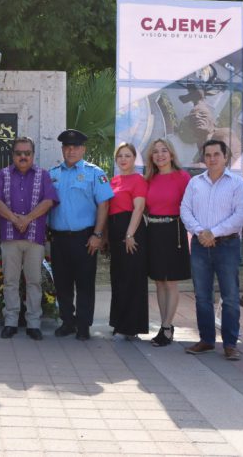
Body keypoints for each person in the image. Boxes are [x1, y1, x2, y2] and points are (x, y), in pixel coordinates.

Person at [180, 139, 243, 360]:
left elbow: (240, 215)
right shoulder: (195, 183)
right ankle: (207, 340)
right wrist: (201, 232)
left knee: (230, 296)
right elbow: (185, 209)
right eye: (208, 155)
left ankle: (230, 344)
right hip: (200, 245)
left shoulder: (238, 184)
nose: (211, 159)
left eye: (216, 154)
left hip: (227, 245)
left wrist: (214, 232)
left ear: (225, 157)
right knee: (202, 296)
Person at [0, 136, 57, 341]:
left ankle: (33, 323)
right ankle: (10, 321)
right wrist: (14, 219)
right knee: (10, 281)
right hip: (10, 237)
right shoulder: (2, 175)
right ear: (13, 155)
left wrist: (27, 219)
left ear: (33, 155)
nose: (23, 157)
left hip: (34, 237)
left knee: (34, 281)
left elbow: (49, 201)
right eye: (19, 153)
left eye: (27, 153)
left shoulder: (43, 175)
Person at [47, 129, 113, 340]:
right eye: (67, 147)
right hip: (58, 238)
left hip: (85, 238)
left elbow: (104, 205)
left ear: (83, 149)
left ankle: (84, 325)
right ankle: (67, 321)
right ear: (62, 149)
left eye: (75, 147)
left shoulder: (95, 173)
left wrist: (98, 234)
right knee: (62, 283)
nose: (71, 150)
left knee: (85, 284)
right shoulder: (53, 174)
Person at [143, 138, 192, 347]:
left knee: (170, 281)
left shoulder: (183, 177)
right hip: (153, 231)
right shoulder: (148, 179)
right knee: (158, 281)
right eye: (155, 152)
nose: (160, 155)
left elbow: (189, 206)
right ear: (151, 157)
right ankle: (166, 325)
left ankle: (166, 327)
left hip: (174, 231)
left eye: (164, 151)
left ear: (171, 154)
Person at [108, 143, 149, 341]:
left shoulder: (138, 180)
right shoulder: (113, 180)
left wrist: (130, 235)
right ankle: (119, 322)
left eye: (127, 156)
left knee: (132, 278)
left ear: (134, 159)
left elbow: (139, 209)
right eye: (120, 156)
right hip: (115, 232)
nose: (123, 159)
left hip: (130, 231)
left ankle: (132, 325)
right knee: (118, 277)